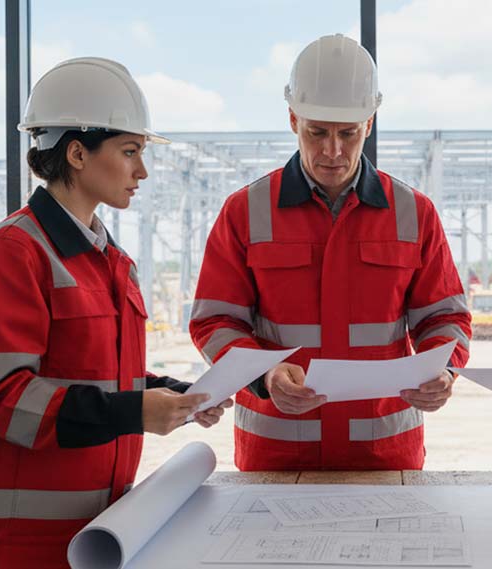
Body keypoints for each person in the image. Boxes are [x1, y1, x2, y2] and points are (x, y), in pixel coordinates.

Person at [0, 57, 232, 569]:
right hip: (20, 547)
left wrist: (168, 393)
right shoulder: (10, 255)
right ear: (77, 153)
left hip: (101, 528)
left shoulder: (109, 261)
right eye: (130, 152)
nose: (141, 171)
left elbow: (99, 376)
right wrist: (134, 411)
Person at [191, 34, 471, 471]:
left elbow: (445, 317)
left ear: (370, 124)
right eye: (317, 132)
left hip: (384, 455)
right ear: (292, 119)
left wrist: (444, 369)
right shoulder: (245, 212)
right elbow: (215, 321)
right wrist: (264, 376)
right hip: (277, 455)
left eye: (348, 133)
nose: (332, 151)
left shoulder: (415, 213)